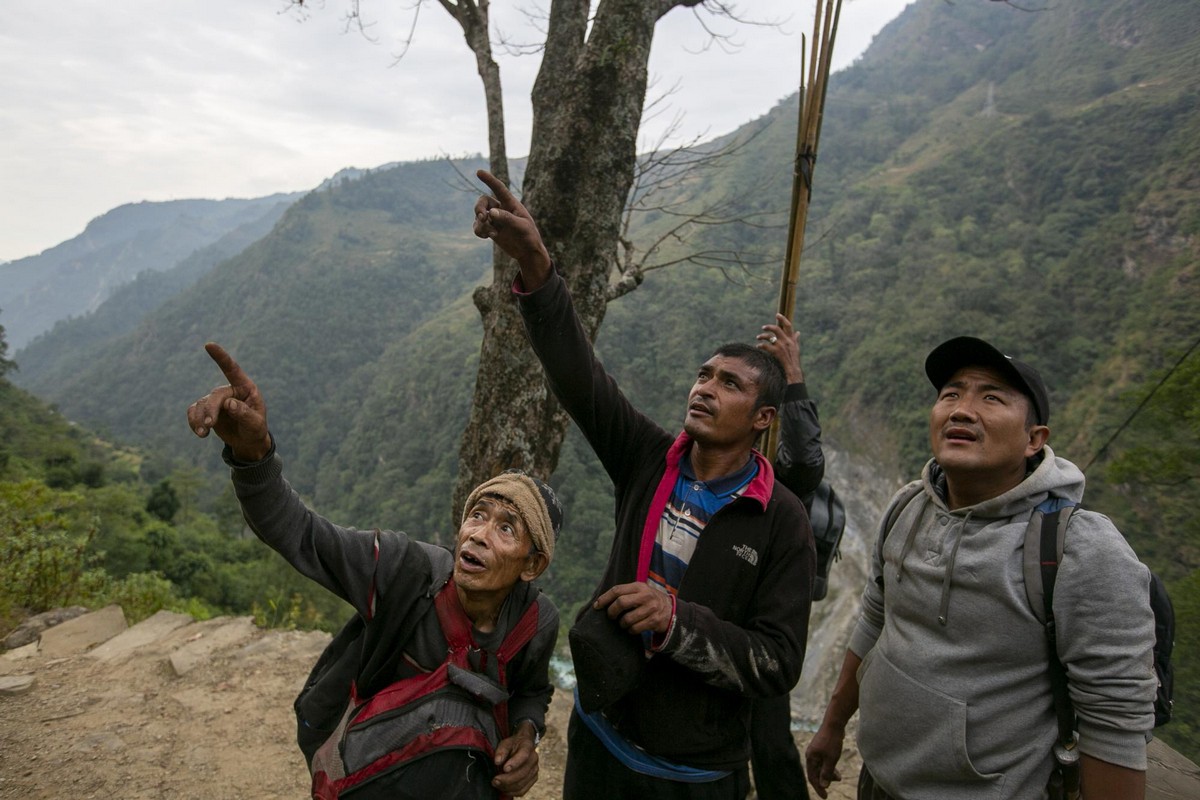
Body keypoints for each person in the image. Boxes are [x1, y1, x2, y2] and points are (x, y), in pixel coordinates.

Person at [472, 169, 816, 799]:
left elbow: (777, 662)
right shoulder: (649, 460)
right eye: (704, 374)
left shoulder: (781, 520)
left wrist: (676, 622)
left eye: (729, 384)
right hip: (599, 742)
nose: (705, 387)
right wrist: (536, 266)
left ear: (764, 419)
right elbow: (579, 378)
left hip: (695, 776)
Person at [186, 342, 561, 800]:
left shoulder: (535, 622)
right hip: (370, 769)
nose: (479, 534)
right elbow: (300, 534)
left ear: (533, 564)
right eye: (477, 515)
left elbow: (531, 691)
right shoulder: (405, 570)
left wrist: (526, 736)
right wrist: (254, 454)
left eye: (507, 528)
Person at [804, 336, 1157, 800]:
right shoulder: (906, 506)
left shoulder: (1080, 549)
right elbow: (876, 614)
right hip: (879, 778)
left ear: (1035, 440)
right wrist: (833, 726)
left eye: (991, 397)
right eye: (951, 394)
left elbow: (1115, 723)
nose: (962, 410)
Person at [751, 315, 825, 800]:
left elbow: (804, 462)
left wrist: (792, 378)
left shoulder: (781, 488)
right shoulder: (711, 467)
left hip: (758, 624)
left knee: (769, 736)